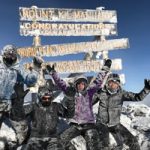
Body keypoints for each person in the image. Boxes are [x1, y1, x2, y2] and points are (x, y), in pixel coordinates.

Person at [46, 59, 112, 150]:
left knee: (94, 145)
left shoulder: (89, 93)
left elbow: (98, 80)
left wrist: (106, 68)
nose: (80, 86)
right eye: (78, 84)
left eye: (83, 84)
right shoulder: (71, 92)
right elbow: (60, 83)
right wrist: (53, 73)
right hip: (75, 125)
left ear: (85, 85)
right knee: (59, 141)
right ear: (75, 85)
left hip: (89, 125)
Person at [92, 73, 150, 150]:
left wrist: (146, 89)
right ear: (107, 83)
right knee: (104, 146)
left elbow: (137, 97)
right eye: (111, 82)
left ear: (118, 84)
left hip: (115, 124)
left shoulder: (122, 94)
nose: (113, 84)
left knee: (133, 142)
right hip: (102, 124)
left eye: (116, 82)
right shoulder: (101, 93)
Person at [0, 45, 38, 149]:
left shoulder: (19, 69)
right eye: (8, 53)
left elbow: (30, 80)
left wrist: (35, 70)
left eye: (12, 54)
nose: (10, 56)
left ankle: (23, 142)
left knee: (22, 126)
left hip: (14, 101)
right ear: (3, 54)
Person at [21, 81, 75, 150]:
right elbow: (19, 114)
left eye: (49, 98)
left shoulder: (56, 106)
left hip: (53, 139)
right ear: (40, 98)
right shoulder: (33, 106)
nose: (47, 100)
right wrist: (19, 101)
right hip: (35, 139)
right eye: (44, 98)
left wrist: (70, 100)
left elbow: (69, 115)